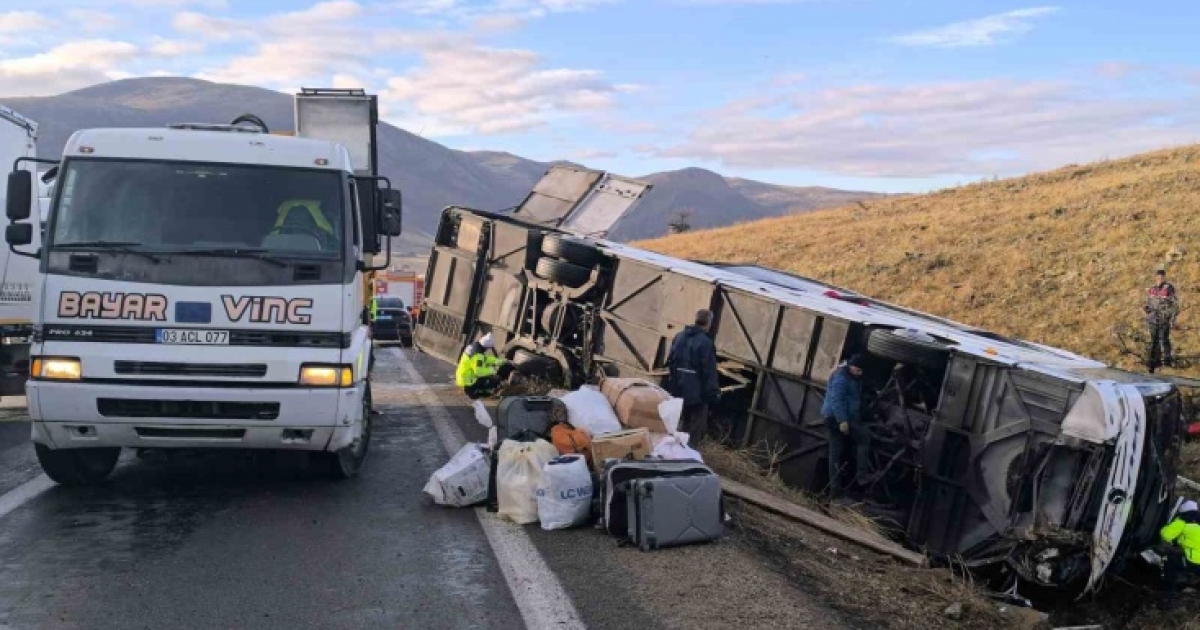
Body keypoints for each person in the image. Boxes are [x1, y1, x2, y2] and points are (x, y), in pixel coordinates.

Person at [666, 309, 720, 445]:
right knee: (694, 431)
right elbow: (709, 371)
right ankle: (688, 452)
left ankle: (674, 450)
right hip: (697, 396)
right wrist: (713, 394)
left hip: (677, 390)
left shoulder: (679, 337)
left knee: (677, 426)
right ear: (708, 323)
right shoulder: (706, 343)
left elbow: (671, 362)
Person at [822, 354, 870, 497]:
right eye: (858, 370)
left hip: (842, 418)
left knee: (835, 454)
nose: (859, 373)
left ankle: (835, 490)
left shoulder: (852, 377)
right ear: (851, 366)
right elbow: (836, 400)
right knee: (864, 438)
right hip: (836, 418)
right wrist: (842, 421)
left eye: (861, 371)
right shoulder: (841, 378)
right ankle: (861, 476)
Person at [1161, 500, 1200, 604]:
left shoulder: (1182, 522)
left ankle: (1169, 597)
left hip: (1193, 561)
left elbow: (1165, 534)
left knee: (1169, 561)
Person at [455, 333, 512, 399]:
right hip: (467, 382)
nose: (488, 349)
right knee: (494, 381)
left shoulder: (474, 346)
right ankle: (483, 393)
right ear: (486, 347)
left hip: (462, 376)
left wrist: (501, 361)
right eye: (488, 348)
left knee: (488, 372)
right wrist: (493, 370)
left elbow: (485, 359)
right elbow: (478, 372)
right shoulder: (478, 355)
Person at [1144, 266, 1179, 371]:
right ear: (1155, 277)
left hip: (1164, 319)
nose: (1160, 279)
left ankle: (1167, 359)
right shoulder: (1152, 288)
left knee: (1163, 339)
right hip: (1153, 319)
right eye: (1158, 277)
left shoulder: (1168, 288)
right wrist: (1147, 309)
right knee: (1154, 341)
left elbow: (1175, 305)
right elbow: (1149, 302)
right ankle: (1156, 361)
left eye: (1162, 277)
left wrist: (1172, 319)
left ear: (1164, 277)